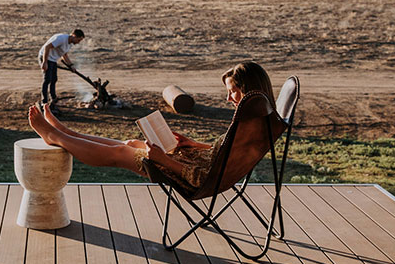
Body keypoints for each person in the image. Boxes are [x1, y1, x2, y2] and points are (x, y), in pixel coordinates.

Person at [27, 61, 275, 191]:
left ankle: (55, 136)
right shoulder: (258, 121)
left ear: (249, 90)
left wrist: (163, 160)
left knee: (120, 153)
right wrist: (193, 144)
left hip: (189, 173)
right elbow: (225, 155)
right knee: (129, 143)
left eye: (233, 92)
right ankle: (66, 133)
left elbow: (203, 179)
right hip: (195, 160)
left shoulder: (249, 124)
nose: (229, 99)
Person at [37, 28, 85, 107]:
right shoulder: (61, 39)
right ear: (74, 36)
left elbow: (64, 55)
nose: (78, 42)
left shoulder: (70, 44)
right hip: (45, 57)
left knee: (54, 79)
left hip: (53, 60)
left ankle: (53, 99)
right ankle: (44, 102)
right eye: (78, 40)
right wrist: (44, 62)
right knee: (47, 79)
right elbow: (47, 47)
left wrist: (71, 65)